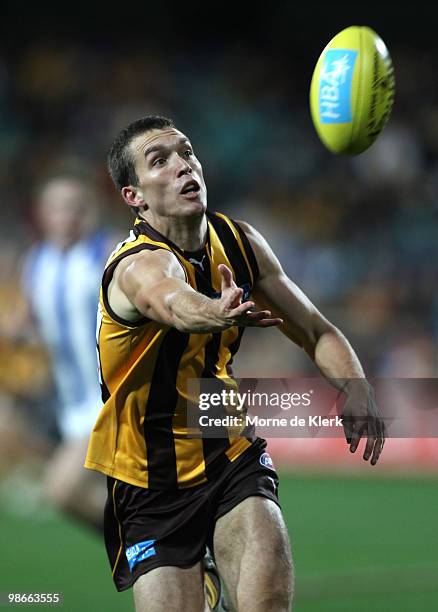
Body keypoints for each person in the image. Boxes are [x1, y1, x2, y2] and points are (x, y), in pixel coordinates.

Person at [85, 115, 386, 611]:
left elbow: (315, 330)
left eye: (185, 152)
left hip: (229, 451)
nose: (182, 165)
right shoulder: (135, 265)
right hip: (147, 478)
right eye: (159, 161)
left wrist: (355, 384)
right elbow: (171, 302)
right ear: (133, 196)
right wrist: (213, 310)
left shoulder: (241, 243)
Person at [22, 171, 114, 531]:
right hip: (71, 404)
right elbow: (29, 323)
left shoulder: (105, 254)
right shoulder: (36, 262)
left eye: (76, 207)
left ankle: (164, 549)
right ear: (41, 213)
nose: (68, 215)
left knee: (62, 490)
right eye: (58, 207)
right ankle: (172, 550)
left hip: (110, 398)